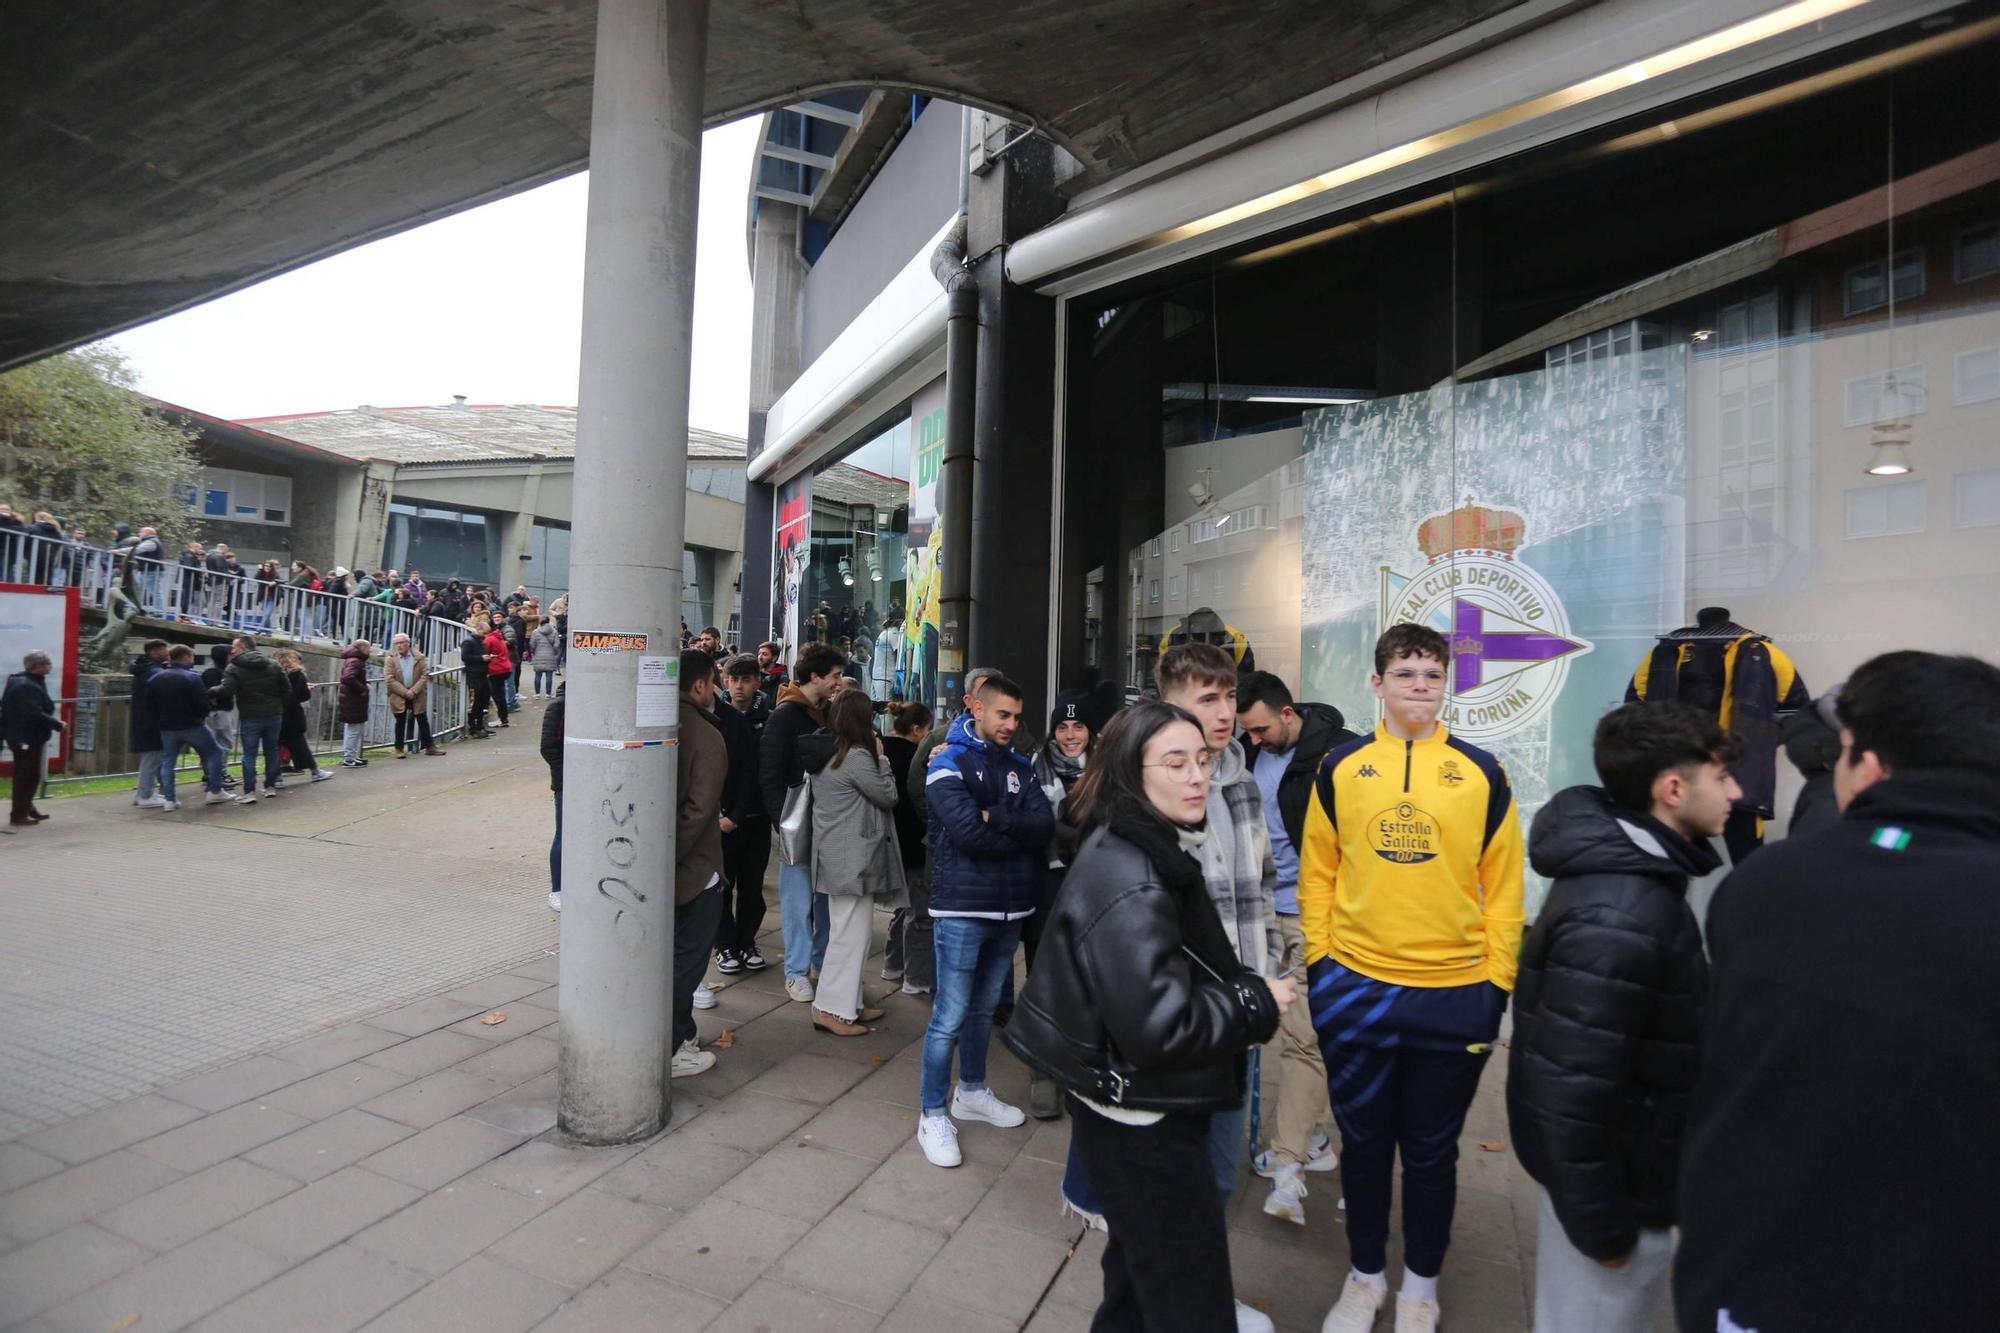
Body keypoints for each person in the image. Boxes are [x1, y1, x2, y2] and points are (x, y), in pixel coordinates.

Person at [1675, 651, 2000, 1332]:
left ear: (1873, 765)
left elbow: (1731, 1092)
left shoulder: (1768, 886)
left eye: (1843, 751)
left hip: (1766, 1288)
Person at [1003, 702, 1291, 1333]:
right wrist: (1255, 1002)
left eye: (1203, 761)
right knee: (1190, 1301)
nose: (1197, 776)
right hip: (1144, 1119)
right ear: (1134, 773)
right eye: (1176, 762)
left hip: (1138, 1108)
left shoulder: (1140, 846)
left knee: (1136, 1287)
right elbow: (1157, 1028)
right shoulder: (1133, 872)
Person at [1302, 623, 1525, 1333]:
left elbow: (1507, 888)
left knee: (1432, 1153)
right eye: (1406, 673)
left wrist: (1495, 986)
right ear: (1377, 683)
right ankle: (1365, 1277)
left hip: (1456, 997)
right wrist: (1321, 965)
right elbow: (1317, 875)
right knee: (1364, 1146)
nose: (1420, 686)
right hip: (1357, 991)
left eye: (1432, 673)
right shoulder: (1340, 767)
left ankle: (1420, 1290)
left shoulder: (1482, 771)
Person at [1508, 702, 1738, 1333]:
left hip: (1627, 1180)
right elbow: (1571, 1095)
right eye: (1721, 777)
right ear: (1672, 789)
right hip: (1615, 1200)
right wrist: (1604, 1227)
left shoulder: (1634, 877)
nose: (1737, 793)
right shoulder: (1621, 911)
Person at [1153, 646, 1280, 1214]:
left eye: (1230, 696)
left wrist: (1268, 960)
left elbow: (1264, 881)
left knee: (1221, 1169)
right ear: (1169, 704)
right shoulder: (1153, 789)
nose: (1226, 711)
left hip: (1242, 1002)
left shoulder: (1243, 783)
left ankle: (1201, 1292)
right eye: (1208, 698)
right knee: (1172, 1164)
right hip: (1180, 1012)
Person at [914, 672, 1054, 1168]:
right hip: (961, 908)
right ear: (977, 708)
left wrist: (1005, 820)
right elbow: (968, 833)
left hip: (1010, 907)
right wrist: (1016, 835)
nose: (1012, 724)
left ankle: (970, 1091)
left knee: (982, 1010)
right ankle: (931, 1113)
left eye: (1017, 716)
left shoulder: (1021, 765)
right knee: (948, 1015)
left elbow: (1044, 826)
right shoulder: (947, 761)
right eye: (1003, 715)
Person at [1235, 670, 1354, 1222]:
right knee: (1271, 1029)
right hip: (1261, 912)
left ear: (1287, 715)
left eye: (1260, 729)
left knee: (1304, 1037)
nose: (1253, 740)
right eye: (1247, 732)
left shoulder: (1339, 758)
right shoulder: (1247, 752)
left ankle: (1290, 1161)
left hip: (1310, 914)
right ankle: (1313, 1136)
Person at [799, 690, 907, 1036]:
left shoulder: (827, 753)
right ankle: (832, 1010)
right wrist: (884, 760)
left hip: (835, 855)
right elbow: (887, 796)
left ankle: (849, 1003)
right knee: (849, 935)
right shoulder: (857, 756)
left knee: (849, 933)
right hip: (853, 858)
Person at [1021, 688, 1100, 1118]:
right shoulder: (1035, 766)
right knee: (1043, 978)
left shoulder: (1109, 769)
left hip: (1093, 887)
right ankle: (1043, 1072)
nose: (1070, 735)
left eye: (1079, 726)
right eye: (1063, 727)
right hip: (1047, 885)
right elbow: (1030, 822)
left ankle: (1077, 1068)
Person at [758, 643, 846, 1004]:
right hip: (797, 820)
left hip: (828, 820)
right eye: (835, 676)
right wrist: (782, 820)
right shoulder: (785, 716)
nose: (839, 682)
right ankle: (796, 971)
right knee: (797, 901)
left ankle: (820, 963)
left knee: (824, 899)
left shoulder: (829, 711)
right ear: (815, 677)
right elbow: (770, 771)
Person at [671, 649, 730, 1079]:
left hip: (666, 868)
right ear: (699, 686)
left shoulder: (657, 721)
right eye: (713, 682)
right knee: (686, 962)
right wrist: (671, 856)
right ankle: (674, 1046)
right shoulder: (704, 733)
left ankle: (679, 1035)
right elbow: (699, 808)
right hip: (694, 871)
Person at [714, 655, 772, 975]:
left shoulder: (769, 718)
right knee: (722, 885)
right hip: (722, 818)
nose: (739, 686)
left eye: (746, 680)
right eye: (734, 680)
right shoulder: (715, 717)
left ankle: (747, 941)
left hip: (756, 817)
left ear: (757, 682)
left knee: (752, 886)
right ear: (725, 681)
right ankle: (724, 944)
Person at [880, 701, 935, 997]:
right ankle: (916, 977)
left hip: (889, 845)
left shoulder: (880, 752)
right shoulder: (916, 760)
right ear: (916, 730)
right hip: (913, 845)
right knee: (920, 912)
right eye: (927, 730)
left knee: (903, 909)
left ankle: (893, 964)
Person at [209, 635, 292, 804]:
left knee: (249, 754)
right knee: (271, 751)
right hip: (274, 714)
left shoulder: (234, 667)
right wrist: (278, 705)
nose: (232, 650)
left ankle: (249, 791)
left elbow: (226, 690)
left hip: (250, 715)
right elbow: (286, 689)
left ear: (243, 647)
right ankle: (270, 786)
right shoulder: (273, 664)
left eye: (235, 647)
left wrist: (209, 690)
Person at [147, 645, 232, 807]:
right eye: (192, 657)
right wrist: (201, 715)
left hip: (167, 726)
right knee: (215, 753)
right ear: (185, 657)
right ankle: (215, 790)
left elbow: (150, 705)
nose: (193, 661)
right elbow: (202, 702)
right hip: (192, 724)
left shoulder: (155, 678)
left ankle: (169, 799)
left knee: (168, 761)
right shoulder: (192, 677)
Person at [3, 649, 63, 828]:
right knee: (27, 775)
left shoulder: (23, 680)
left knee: (26, 773)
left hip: (24, 735)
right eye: (47, 663)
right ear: (38, 666)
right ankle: (19, 814)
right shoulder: (26, 685)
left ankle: (27, 807)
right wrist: (57, 723)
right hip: (25, 737)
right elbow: (33, 713)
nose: (50, 666)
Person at [272, 649, 333, 783]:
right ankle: (315, 772)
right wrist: (306, 689)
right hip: (292, 715)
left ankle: (276, 778)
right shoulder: (297, 675)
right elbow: (302, 695)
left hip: (275, 714)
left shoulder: (272, 673)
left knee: (275, 747)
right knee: (300, 745)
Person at [129, 638, 172, 810]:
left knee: (151, 758)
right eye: (163, 649)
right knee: (152, 757)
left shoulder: (145, 669)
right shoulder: (154, 672)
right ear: (153, 652)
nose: (167, 652)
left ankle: (145, 792)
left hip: (144, 718)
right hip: (151, 720)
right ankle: (145, 795)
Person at [384, 632, 443, 757]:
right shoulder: (391, 659)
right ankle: (398, 749)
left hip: (416, 693)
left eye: (401, 643)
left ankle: (429, 746)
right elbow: (389, 679)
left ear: (407, 643)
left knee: (422, 719)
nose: (399, 646)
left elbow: (425, 674)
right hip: (399, 694)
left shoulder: (418, 657)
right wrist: (405, 692)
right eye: (396, 643)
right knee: (400, 721)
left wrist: (414, 691)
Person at [541, 681, 566, 911]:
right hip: (565, 783)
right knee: (564, 835)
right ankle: (557, 889)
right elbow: (547, 746)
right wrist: (563, 774)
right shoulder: (559, 706)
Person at [338, 640, 373, 766]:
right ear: (362, 648)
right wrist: (362, 688)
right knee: (354, 729)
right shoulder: (355, 661)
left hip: (351, 698)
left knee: (353, 728)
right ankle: (349, 758)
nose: (370, 650)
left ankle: (351, 755)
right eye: (368, 648)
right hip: (353, 699)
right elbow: (348, 677)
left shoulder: (353, 659)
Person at [462, 628, 495, 738]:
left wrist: (488, 658)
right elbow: (465, 657)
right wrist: (481, 658)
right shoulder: (468, 642)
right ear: (479, 629)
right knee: (474, 702)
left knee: (483, 700)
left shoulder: (481, 642)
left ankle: (480, 726)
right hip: (473, 676)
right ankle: (473, 728)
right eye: (484, 632)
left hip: (482, 674)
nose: (486, 635)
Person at [482, 620, 513, 729]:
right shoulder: (498, 637)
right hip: (505, 667)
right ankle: (503, 718)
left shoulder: (488, 639)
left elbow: (484, 653)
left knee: (498, 696)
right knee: (500, 694)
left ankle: (502, 719)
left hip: (496, 669)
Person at [528, 619, 561, 698]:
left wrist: (533, 652)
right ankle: (548, 694)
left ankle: (537, 694)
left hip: (538, 655)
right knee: (549, 676)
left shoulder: (535, 632)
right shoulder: (554, 632)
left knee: (538, 675)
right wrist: (554, 652)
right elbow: (557, 645)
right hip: (550, 655)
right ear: (548, 621)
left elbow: (532, 644)